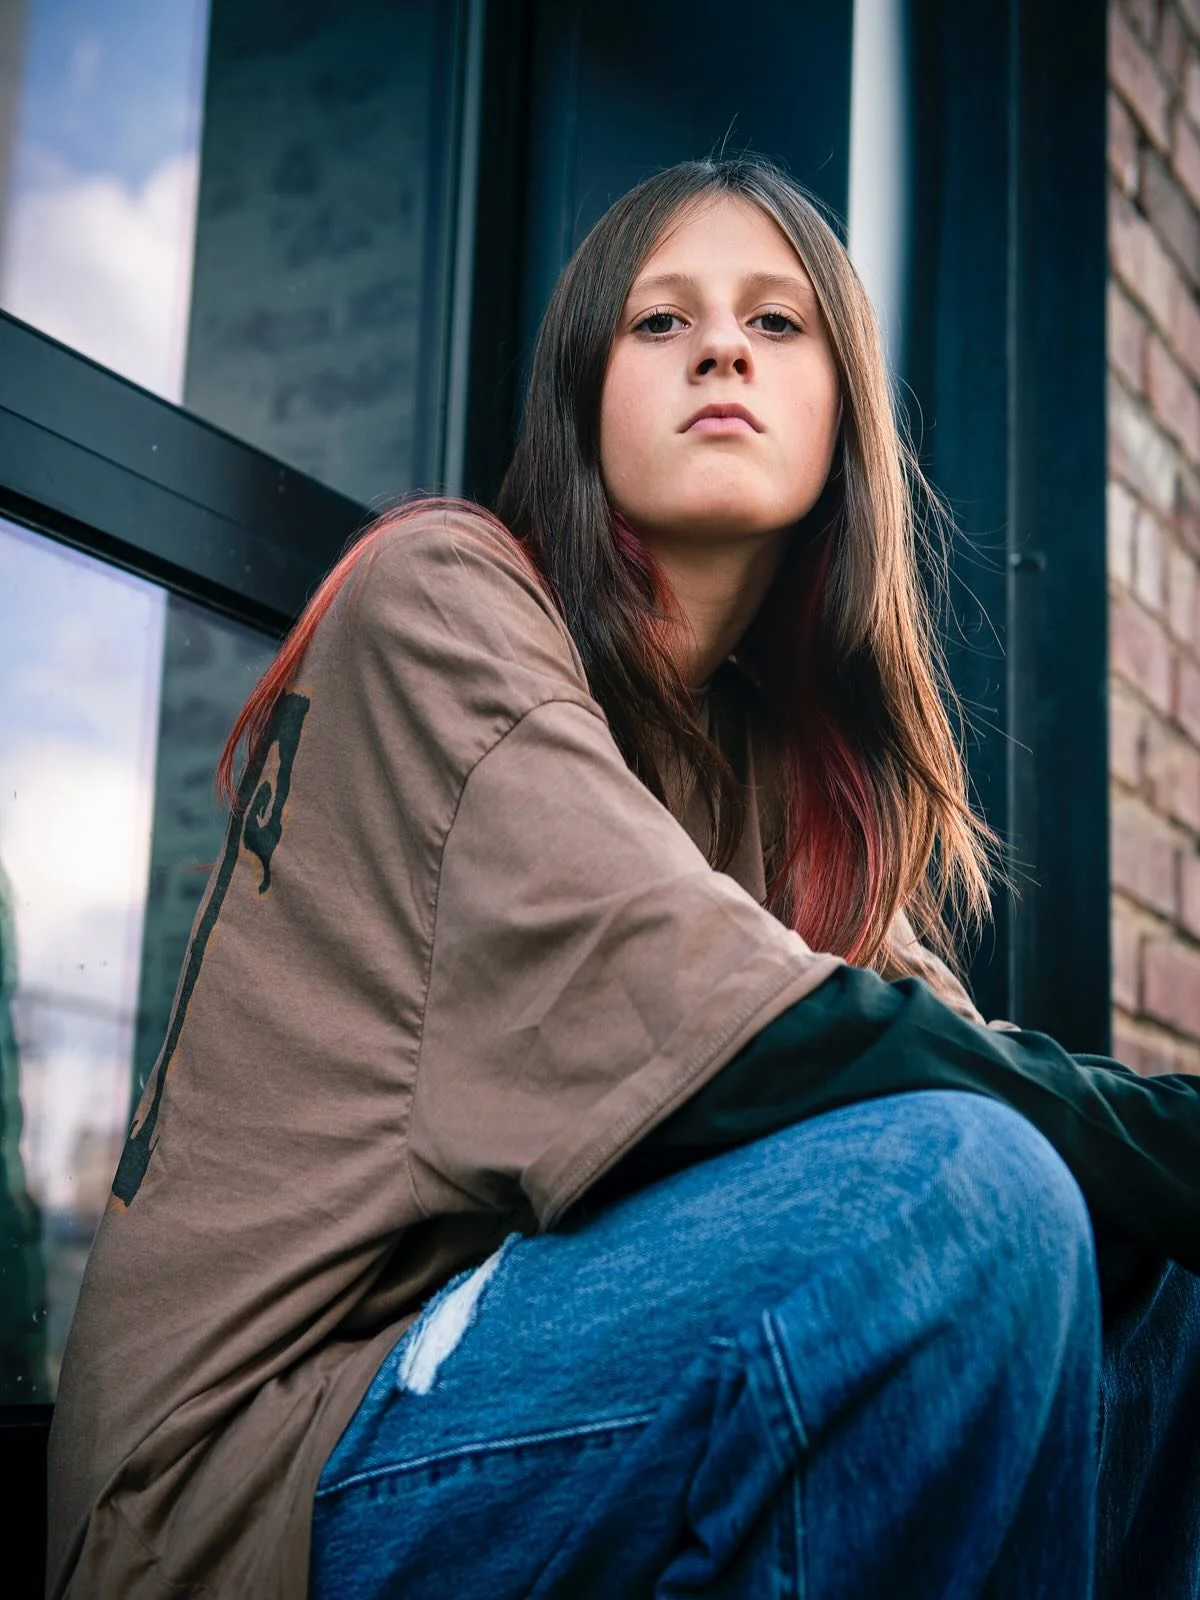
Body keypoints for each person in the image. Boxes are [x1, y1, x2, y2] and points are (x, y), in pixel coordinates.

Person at [46, 157, 1200, 1600]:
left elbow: (954, 1059)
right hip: (247, 1485)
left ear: (844, 411)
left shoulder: (779, 778)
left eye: (779, 325)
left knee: (1155, 1272)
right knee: (963, 1200)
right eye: (661, 322)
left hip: (512, 1394)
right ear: (585, 391)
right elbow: (791, 1051)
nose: (721, 346)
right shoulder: (442, 600)